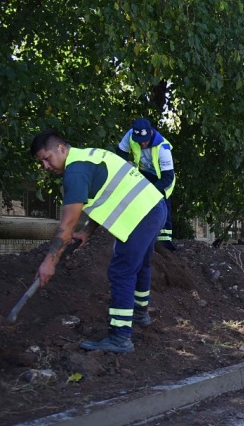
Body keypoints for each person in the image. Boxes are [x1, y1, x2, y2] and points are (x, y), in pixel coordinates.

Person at [30, 130, 166, 353]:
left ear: (61, 148)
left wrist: (49, 261)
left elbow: (68, 223)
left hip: (138, 216)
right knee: (141, 264)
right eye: (41, 162)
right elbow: (106, 196)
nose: (46, 166)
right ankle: (140, 314)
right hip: (153, 207)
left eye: (47, 158)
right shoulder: (89, 155)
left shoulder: (75, 172)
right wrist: (87, 232)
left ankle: (120, 337)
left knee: (122, 271)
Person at [116, 118, 176, 250]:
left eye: (145, 140)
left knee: (163, 208)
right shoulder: (130, 135)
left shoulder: (163, 147)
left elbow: (168, 177)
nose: (142, 143)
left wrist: (151, 191)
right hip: (142, 174)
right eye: (139, 140)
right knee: (137, 204)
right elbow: (121, 151)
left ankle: (165, 245)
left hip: (161, 179)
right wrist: (126, 163)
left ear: (151, 133)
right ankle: (136, 235)